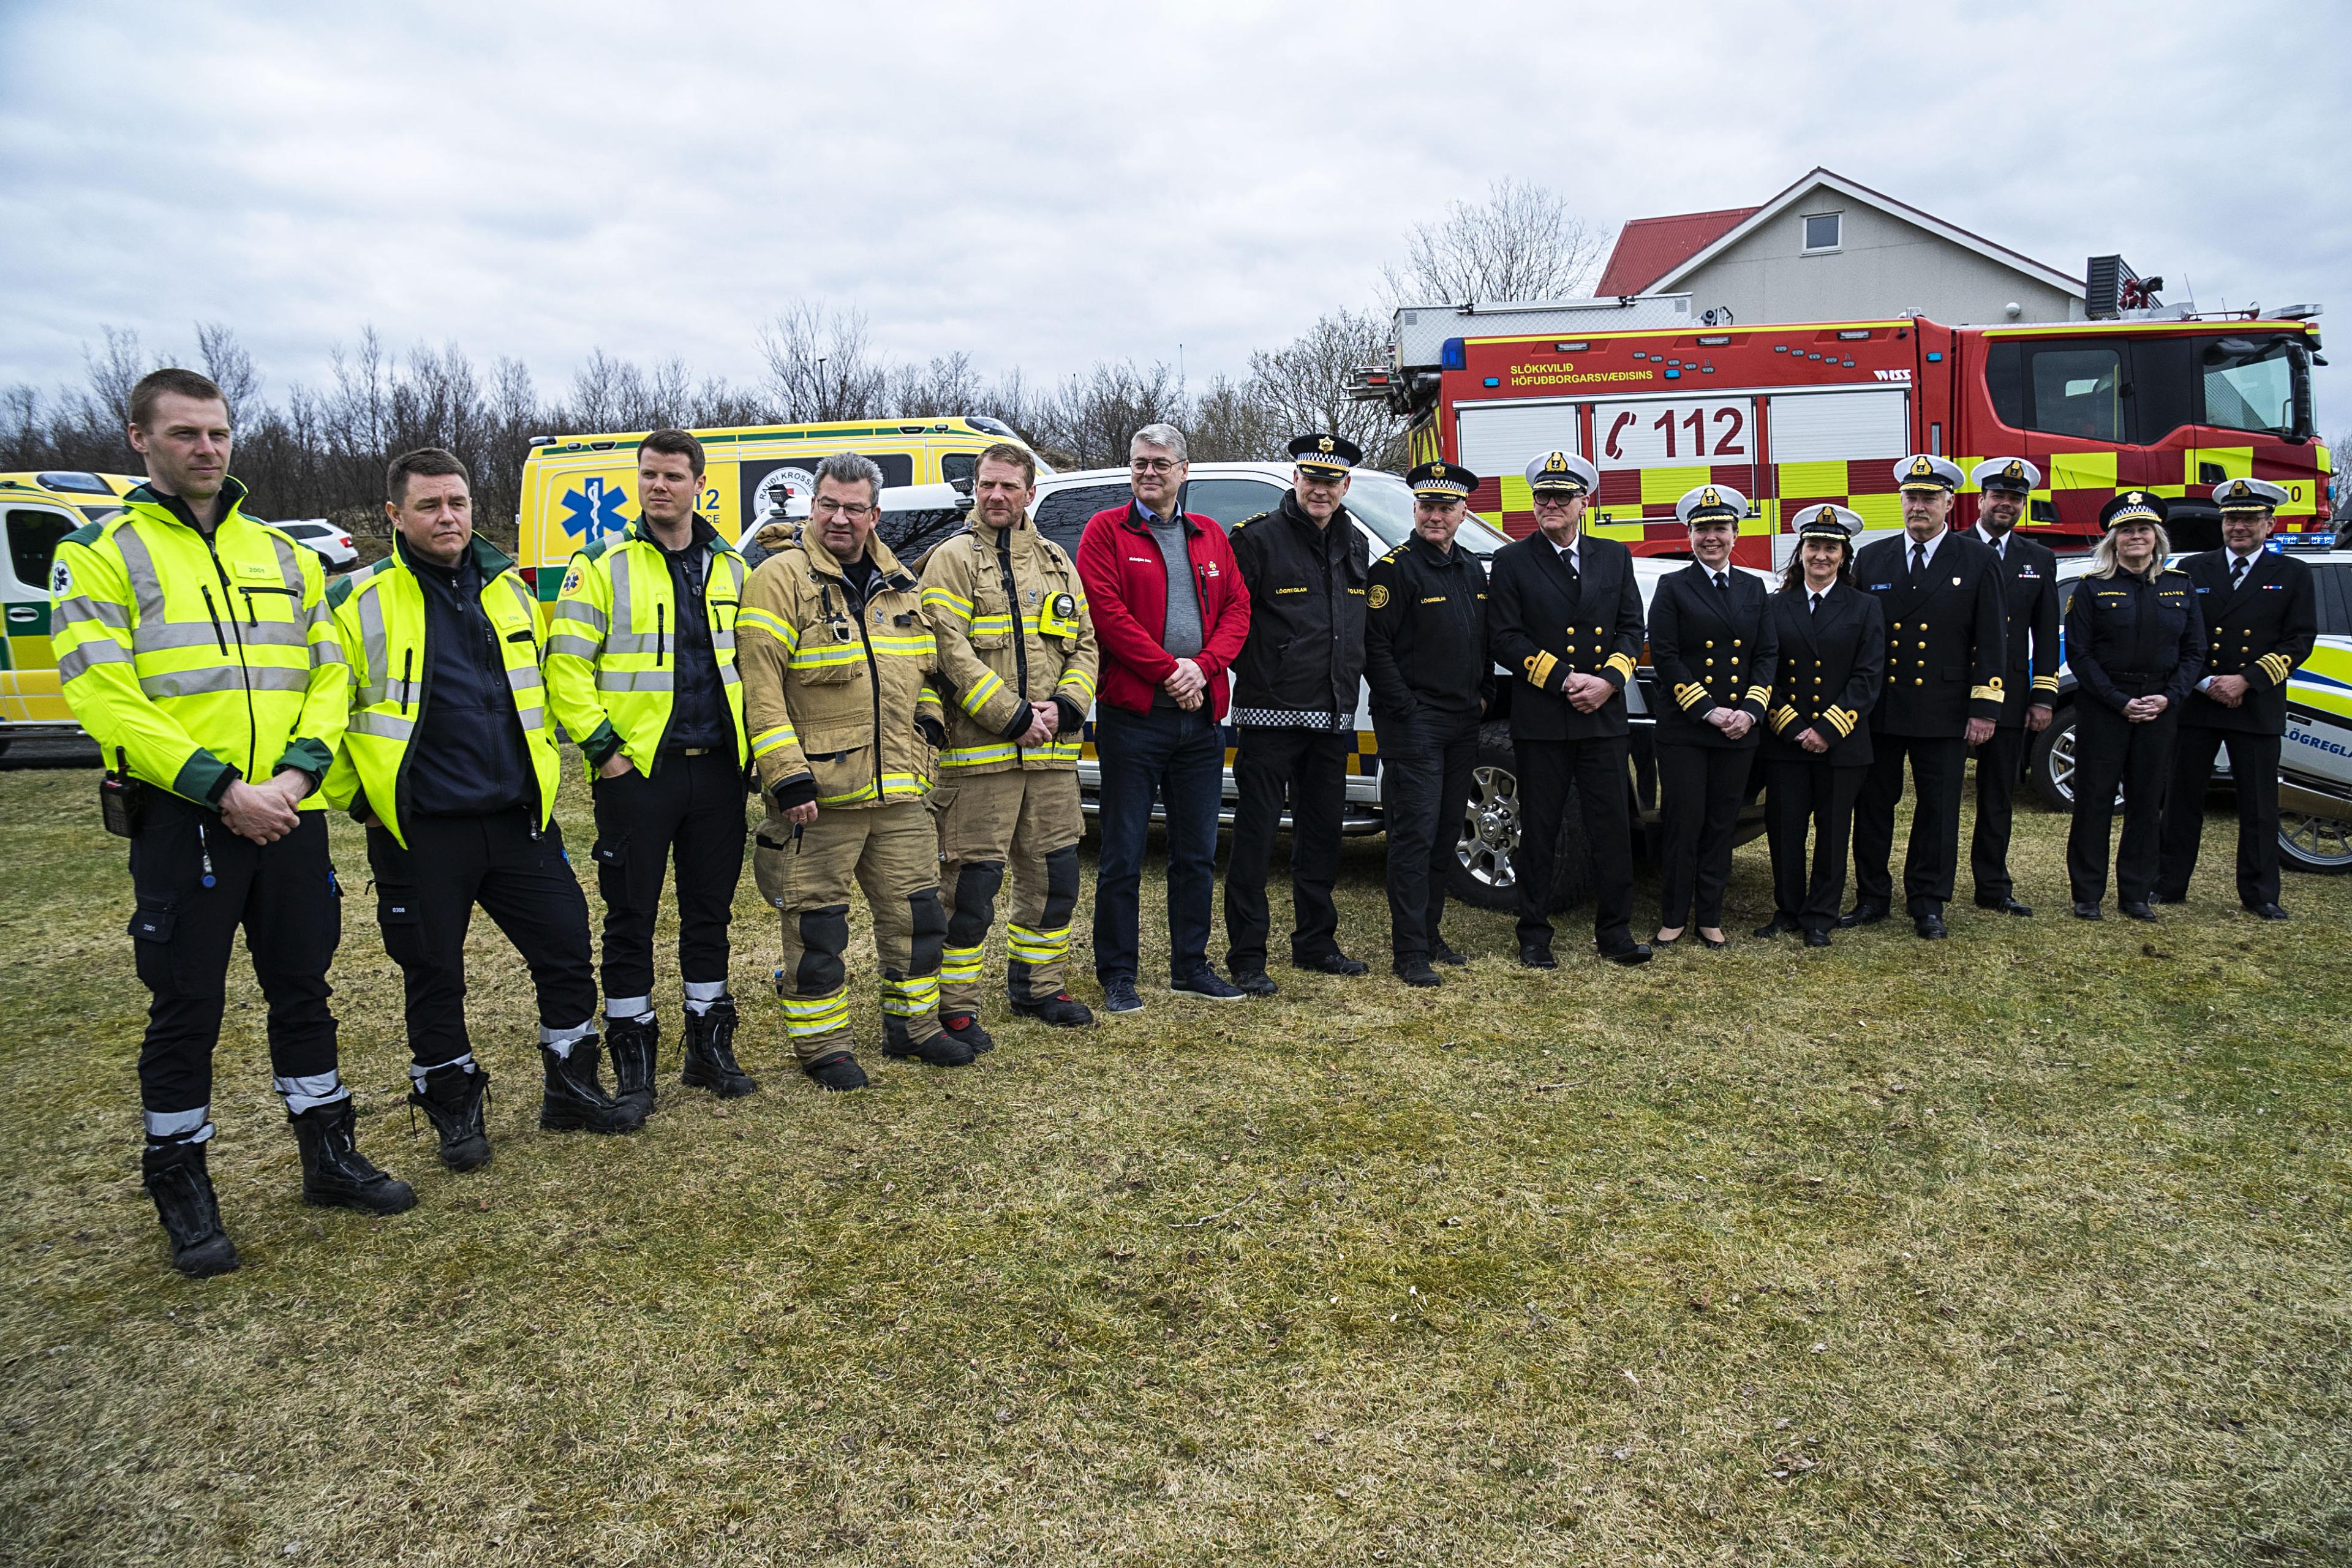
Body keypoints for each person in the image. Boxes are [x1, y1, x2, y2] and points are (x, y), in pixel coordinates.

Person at [50, 368, 411, 1276]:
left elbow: (330, 675)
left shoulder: (283, 556)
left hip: (288, 815)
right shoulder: (100, 553)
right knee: (186, 1007)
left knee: (305, 989)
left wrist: (294, 777)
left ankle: (327, 1154)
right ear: (140, 439)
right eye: (184, 435)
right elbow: (104, 692)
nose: (205, 449)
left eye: (216, 433)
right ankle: (182, 1185)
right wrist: (222, 789)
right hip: (187, 823)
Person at [329, 447, 635, 1169]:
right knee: (434, 972)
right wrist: (358, 802)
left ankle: (570, 1087)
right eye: (430, 505)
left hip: (518, 820)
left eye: (457, 503)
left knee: (565, 948)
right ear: (395, 515)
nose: (447, 517)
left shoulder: (510, 590)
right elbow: (323, 710)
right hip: (421, 828)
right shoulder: (359, 599)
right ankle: (454, 1109)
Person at [544, 429, 756, 1116]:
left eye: (672, 475)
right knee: (630, 917)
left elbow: (754, 665)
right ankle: (633, 1054)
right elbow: (566, 667)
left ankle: (708, 1047)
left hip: (719, 771)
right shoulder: (601, 563)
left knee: (710, 913)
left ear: (700, 484)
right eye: (648, 475)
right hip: (639, 773)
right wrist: (604, 750)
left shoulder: (731, 567)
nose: (658, 486)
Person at [738, 451, 956, 1090]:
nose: (840, 518)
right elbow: (760, 685)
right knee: (818, 926)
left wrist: (930, 730)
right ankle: (823, 1047)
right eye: (828, 504)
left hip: (898, 793)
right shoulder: (779, 578)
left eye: (854, 507)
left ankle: (914, 1027)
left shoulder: (903, 585)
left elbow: (927, 671)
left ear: (875, 513)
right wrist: (786, 773)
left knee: (918, 915)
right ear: (814, 505)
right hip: (818, 798)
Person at [919, 442, 1100, 1044]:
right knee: (969, 892)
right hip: (981, 761)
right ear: (976, 489)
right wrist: (1013, 715)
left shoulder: (1056, 561)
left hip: (1051, 760)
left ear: (1028, 492)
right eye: (986, 485)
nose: (997, 496)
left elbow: (1085, 644)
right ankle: (955, 1005)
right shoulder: (950, 560)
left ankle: (1038, 987)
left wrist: (1069, 705)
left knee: (1055, 881)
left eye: (1009, 486)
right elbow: (949, 652)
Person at [1074, 423, 1253, 1014]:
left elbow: (1237, 610)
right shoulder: (1105, 531)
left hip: (1201, 720)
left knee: (1197, 849)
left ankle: (1190, 966)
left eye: (1160, 464)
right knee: (1124, 851)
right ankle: (1118, 975)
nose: (1148, 473)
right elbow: (1108, 613)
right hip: (1134, 718)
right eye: (1139, 463)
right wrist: (1167, 672)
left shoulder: (1209, 536)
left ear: (1183, 471)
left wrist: (1201, 669)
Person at [1222, 432, 1374, 993]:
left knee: (1321, 837)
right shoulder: (1258, 540)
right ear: (1297, 479)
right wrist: (1271, 672)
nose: (1321, 489)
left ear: (1345, 487)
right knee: (1258, 839)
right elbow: (1233, 622)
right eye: (1312, 478)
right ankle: (1247, 956)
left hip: (1333, 717)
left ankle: (1315, 943)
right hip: (1271, 717)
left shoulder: (1353, 543)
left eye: (1331, 481)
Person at [1487, 450, 1650, 967]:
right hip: (1543, 719)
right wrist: (1563, 678)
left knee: (1612, 828)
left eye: (1562, 496)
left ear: (1585, 501)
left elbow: (1631, 628)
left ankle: (1616, 934)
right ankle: (1534, 934)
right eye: (1542, 496)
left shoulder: (1614, 556)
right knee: (1539, 831)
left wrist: (1608, 681)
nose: (1550, 504)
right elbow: (1504, 638)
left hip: (1602, 718)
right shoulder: (1513, 561)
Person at [1844, 454, 2008, 940]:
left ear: (1950, 502)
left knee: (1938, 808)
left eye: (1929, 498)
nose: (1919, 506)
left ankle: (1928, 900)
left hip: (1946, 707)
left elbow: (1992, 640)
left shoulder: (1977, 559)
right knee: (1873, 805)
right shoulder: (1873, 557)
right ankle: (1872, 895)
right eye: (1911, 497)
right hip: (1882, 707)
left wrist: (1985, 707)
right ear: (1901, 501)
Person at [2156, 478, 2318, 919]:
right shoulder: (2193, 568)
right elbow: (2179, 635)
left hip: (2257, 704)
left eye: (2249, 519)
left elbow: (2300, 640)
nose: (2238, 528)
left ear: (2270, 524)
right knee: (2182, 799)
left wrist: (2246, 680)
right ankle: (2168, 883)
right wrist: (2206, 682)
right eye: (2231, 519)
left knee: (2260, 806)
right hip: (2199, 702)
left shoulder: (2292, 574)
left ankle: (2261, 893)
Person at [1363, 460, 1493, 986]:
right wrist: (1407, 708)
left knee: (1444, 835)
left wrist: (1484, 694)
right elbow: (1375, 648)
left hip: (1464, 720)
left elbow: (1480, 639)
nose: (1435, 516)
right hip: (1415, 722)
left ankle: (1431, 934)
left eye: (1445, 508)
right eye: (1427, 507)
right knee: (1414, 836)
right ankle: (1409, 952)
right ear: (1415, 510)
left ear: (1463, 513)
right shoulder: (1393, 570)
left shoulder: (1469, 568)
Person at [2064, 492, 2206, 920]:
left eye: (2143, 530)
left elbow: (2194, 651)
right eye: (2127, 531)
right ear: (2114, 540)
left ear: (2157, 537)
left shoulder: (2180, 586)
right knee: (2094, 800)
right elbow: (2080, 654)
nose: (2136, 537)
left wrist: (2170, 696)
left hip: (2160, 706)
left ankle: (2136, 894)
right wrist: (2119, 701)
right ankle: (2087, 894)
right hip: (2106, 707)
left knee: (2146, 803)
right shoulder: (2091, 589)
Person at [1647, 486, 1777, 949]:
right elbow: (1664, 656)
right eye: (1703, 529)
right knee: (1684, 820)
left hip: (1739, 726)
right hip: (1687, 727)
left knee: (1723, 821)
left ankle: (1711, 915)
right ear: (1689, 534)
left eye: (1720, 528)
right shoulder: (1672, 586)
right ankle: (1674, 914)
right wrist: (1706, 708)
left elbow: (1766, 654)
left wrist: (1752, 709)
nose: (1711, 537)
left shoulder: (1753, 587)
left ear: (1735, 533)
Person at [1754, 505, 1883, 948]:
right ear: (1801, 552)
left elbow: (1868, 677)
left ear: (1844, 556)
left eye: (1831, 548)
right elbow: (1764, 673)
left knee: (1832, 833)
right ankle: (1788, 910)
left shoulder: (1866, 607)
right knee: (1785, 830)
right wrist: (1792, 728)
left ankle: (1821, 917)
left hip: (1842, 743)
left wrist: (1827, 729)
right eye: (1814, 546)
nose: (1821, 555)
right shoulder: (1774, 606)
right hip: (1785, 740)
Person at [1965, 458, 2061, 916]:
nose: (2006, 504)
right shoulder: (1954, 546)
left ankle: (1993, 887)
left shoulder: (2038, 559)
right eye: (1998, 495)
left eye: (2015, 498)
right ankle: (1936, 885)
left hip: (2012, 697)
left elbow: (2046, 634)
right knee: (1942, 797)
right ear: (1981, 499)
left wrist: (2044, 697)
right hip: (1955, 693)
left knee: (1998, 795)